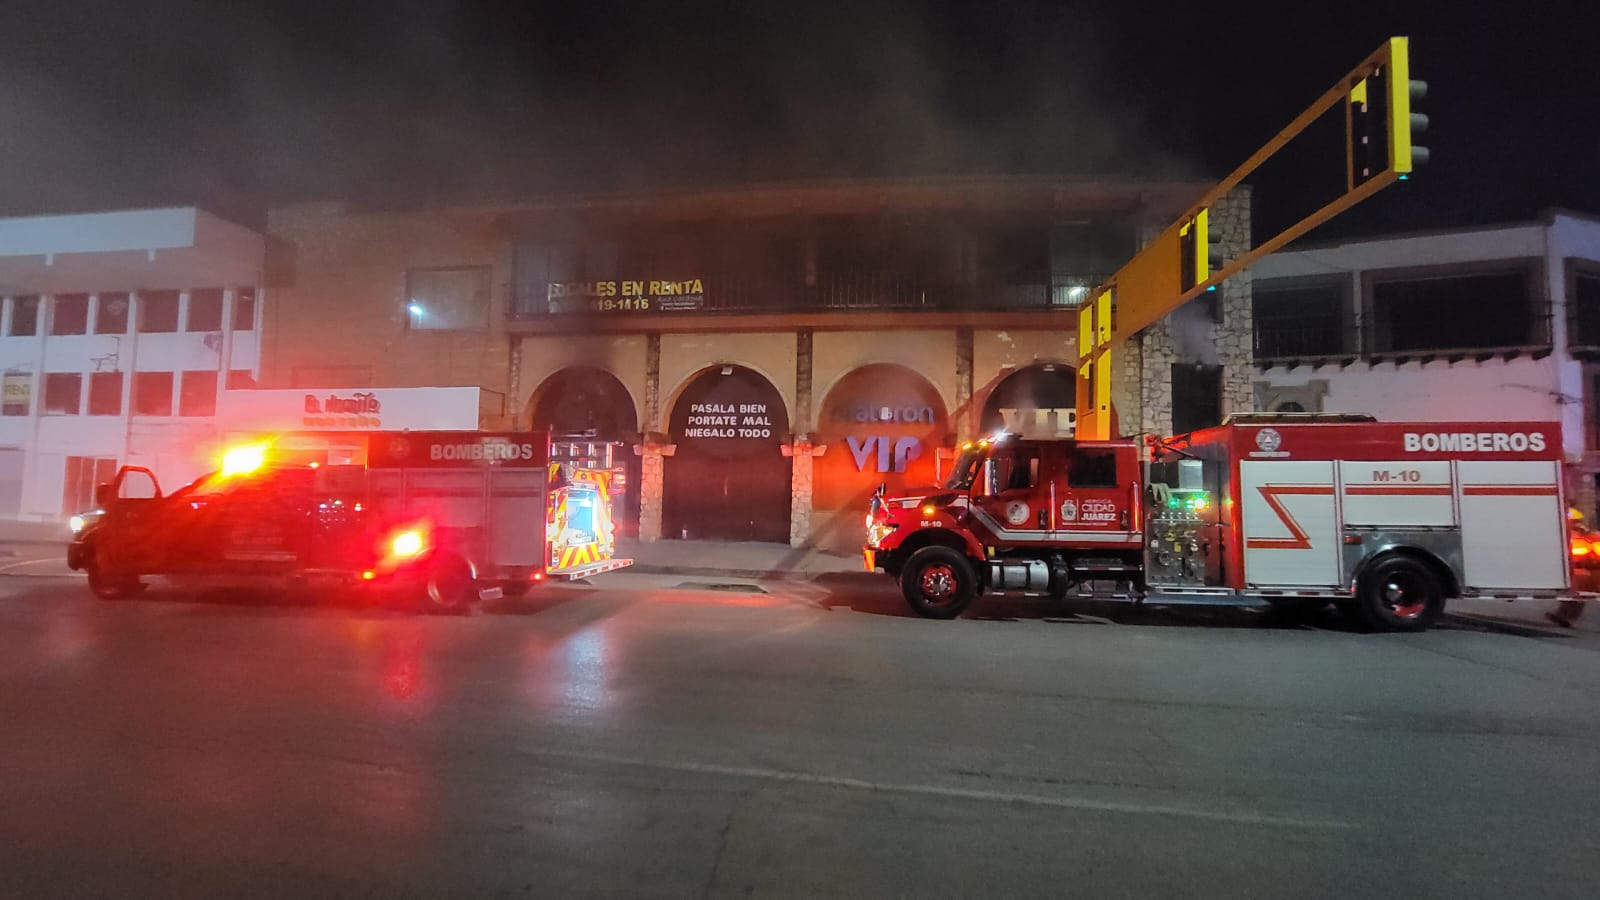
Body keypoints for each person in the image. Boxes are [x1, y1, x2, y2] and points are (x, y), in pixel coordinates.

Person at [1549, 507, 1594, 628]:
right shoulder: (1583, 533)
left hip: (1577, 569)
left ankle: (1565, 617)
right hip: (1579, 569)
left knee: (1573, 595)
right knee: (1574, 595)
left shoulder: (1573, 534)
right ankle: (1564, 616)